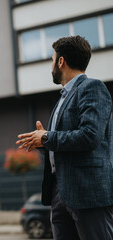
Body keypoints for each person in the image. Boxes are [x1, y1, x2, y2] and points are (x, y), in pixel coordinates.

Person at [16, 35, 113, 240]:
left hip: (87, 192)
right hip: (59, 192)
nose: (51, 65)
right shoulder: (63, 97)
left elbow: (90, 136)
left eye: (52, 60)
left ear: (61, 61)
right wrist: (41, 141)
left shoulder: (92, 88)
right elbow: (60, 142)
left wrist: (47, 137)